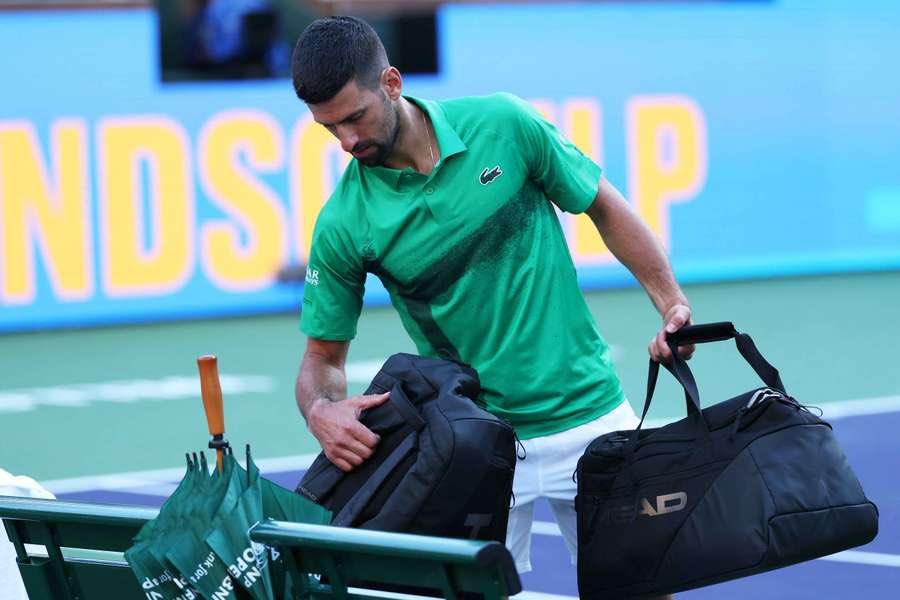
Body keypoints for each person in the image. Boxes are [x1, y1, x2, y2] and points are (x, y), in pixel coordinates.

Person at [289, 15, 694, 587]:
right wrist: (319, 411)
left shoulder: (503, 124)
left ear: (392, 83)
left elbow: (603, 205)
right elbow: (321, 362)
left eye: (354, 117)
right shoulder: (344, 222)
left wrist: (669, 303)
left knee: (644, 590)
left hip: (593, 418)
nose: (348, 141)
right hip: (474, 442)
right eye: (330, 129)